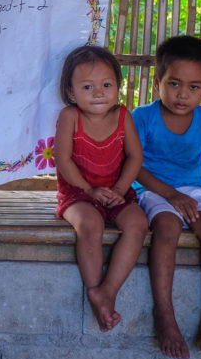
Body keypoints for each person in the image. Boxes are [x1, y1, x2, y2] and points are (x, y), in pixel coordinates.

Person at [133, 35, 201, 359]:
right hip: (150, 188)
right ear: (158, 81)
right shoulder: (142, 117)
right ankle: (165, 314)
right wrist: (171, 195)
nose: (182, 94)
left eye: (194, 87)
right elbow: (132, 166)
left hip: (192, 191)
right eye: (174, 83)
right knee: (167, 227)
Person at [54, 45, 148, 333]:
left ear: (118, 87)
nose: (98, 92)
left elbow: (135, 157)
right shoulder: (70, 117)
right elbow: (63, 159)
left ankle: (108, 290)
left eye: (106, 85)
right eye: (87, 86)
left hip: (117, 191)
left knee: (138, 223)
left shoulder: (123, 116)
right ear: (71, 93)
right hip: (77, 193)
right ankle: (95, 290)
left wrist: (120, 189)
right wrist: (88, 190)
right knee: (90, 224)